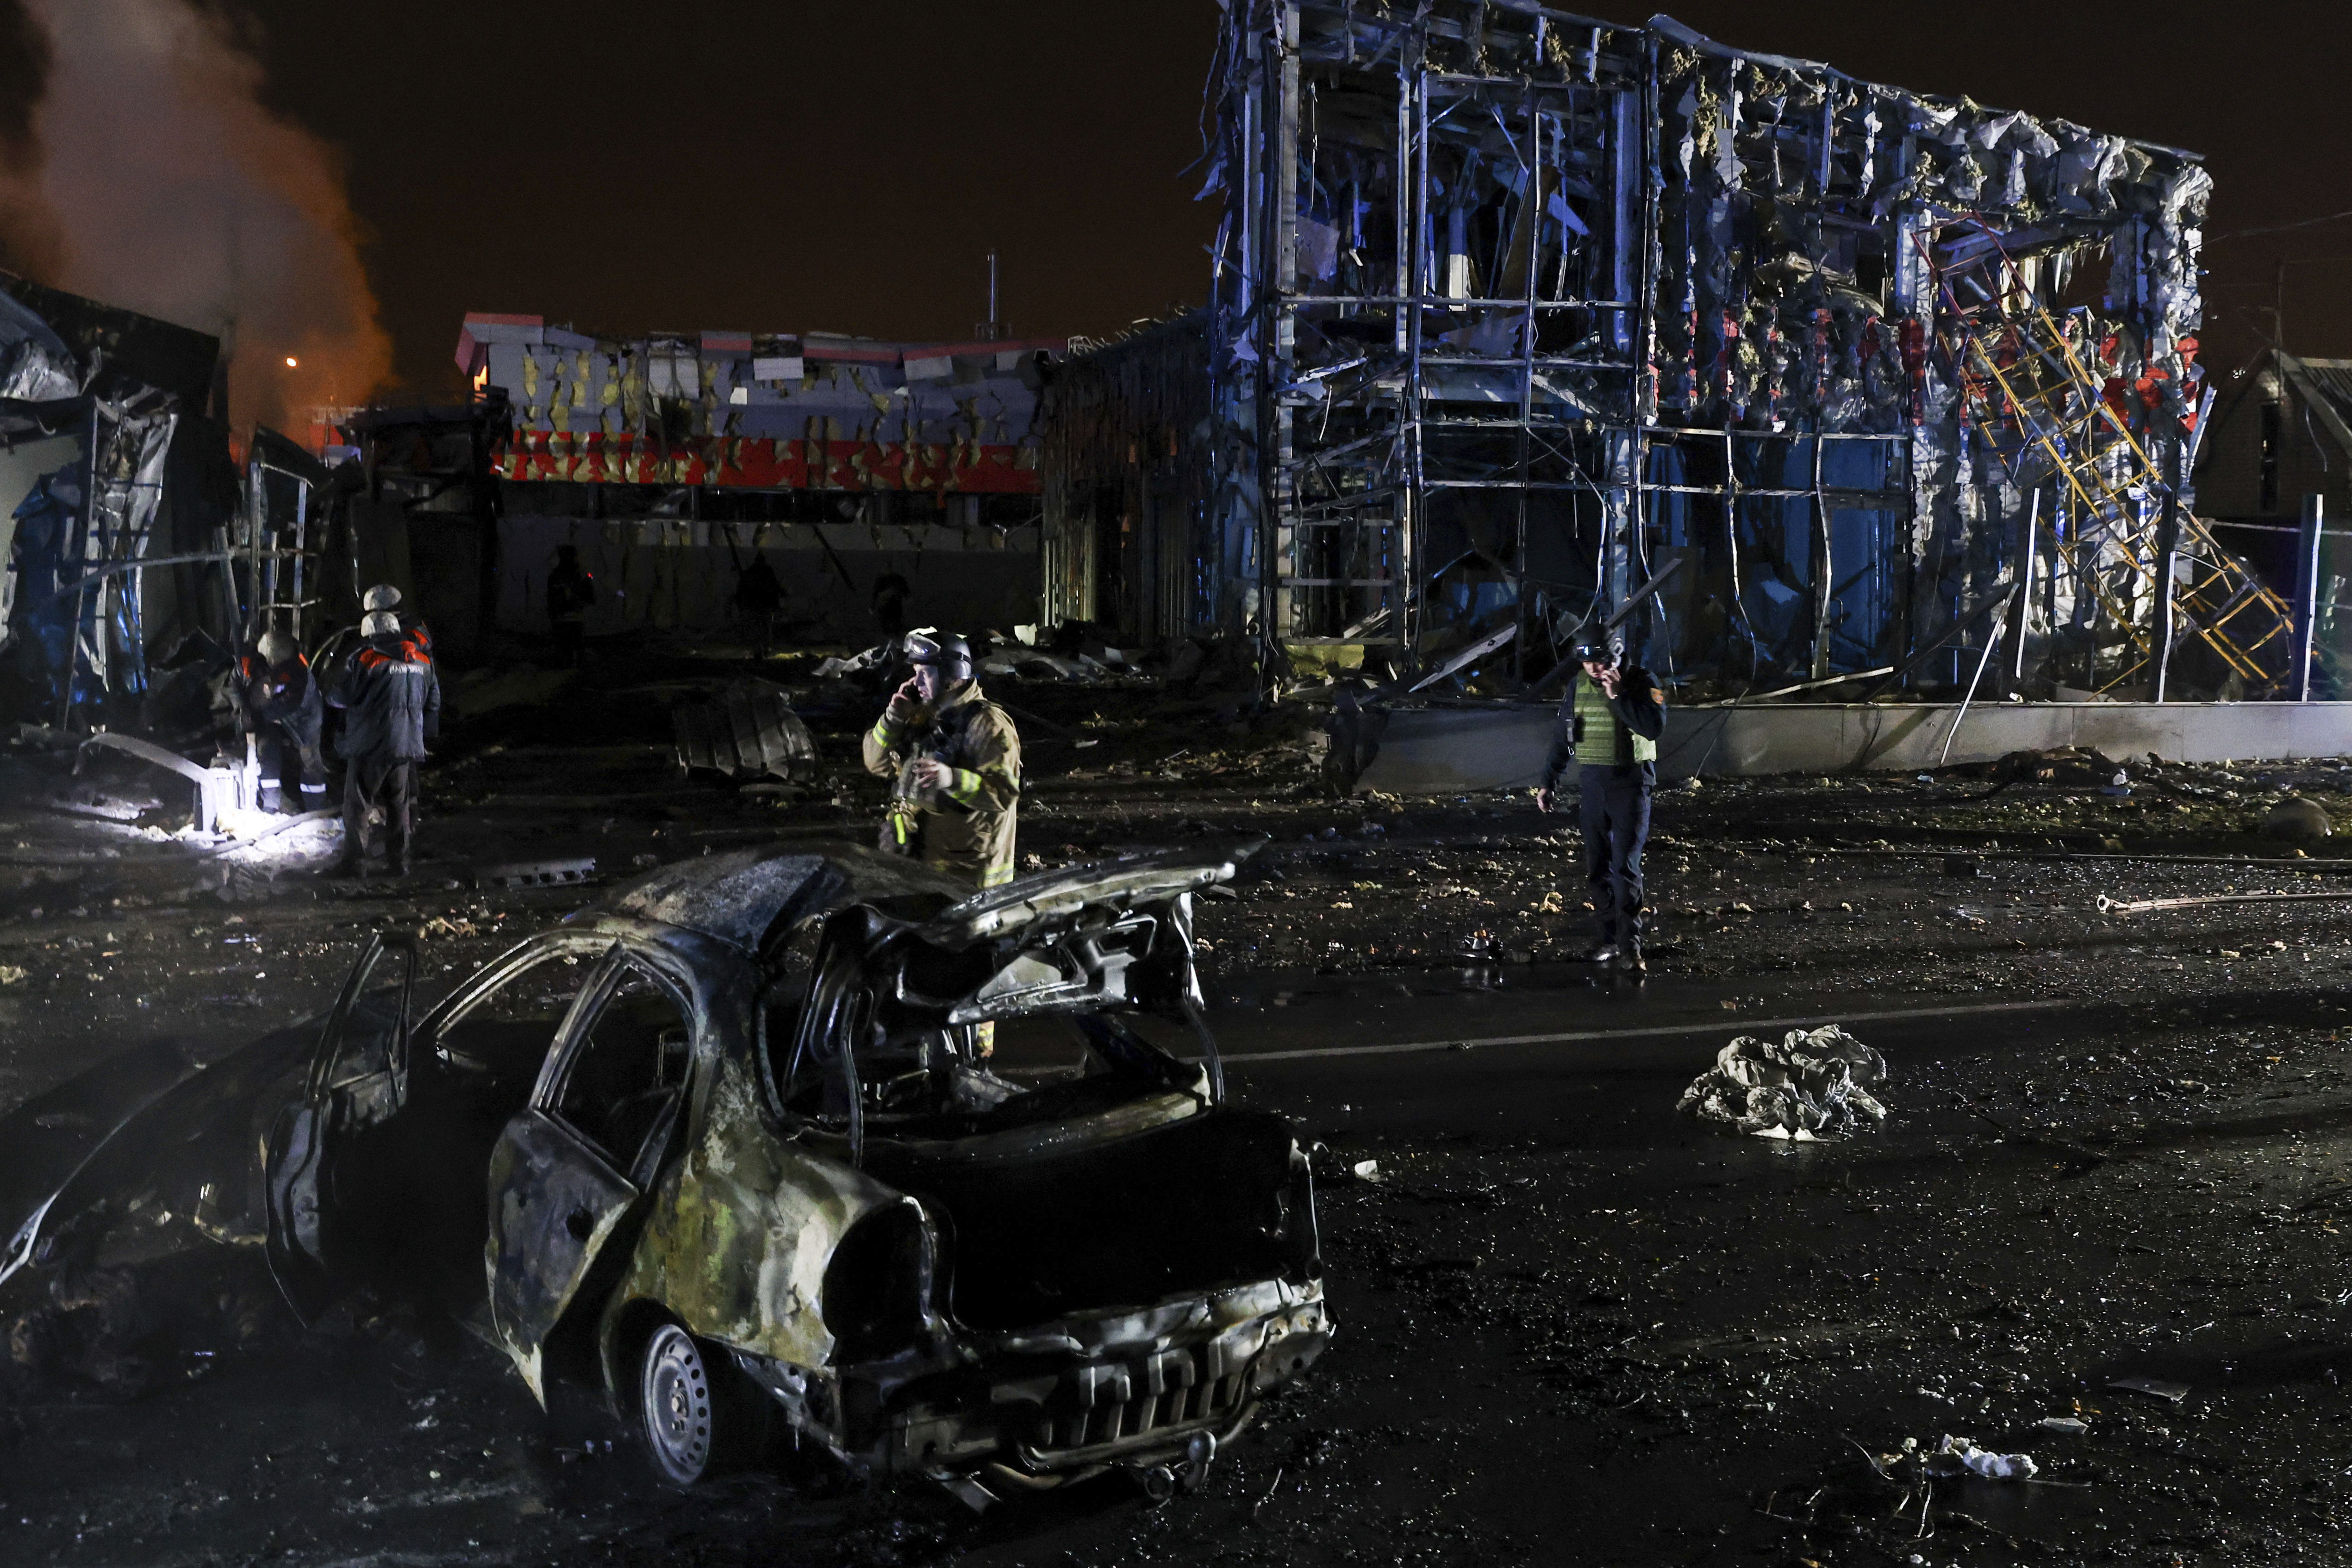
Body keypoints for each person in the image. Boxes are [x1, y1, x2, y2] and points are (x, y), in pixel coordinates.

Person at [1535, 630, 1667, 976]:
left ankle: (1630, 948)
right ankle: (1608, 939)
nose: (1593, 667)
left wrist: (1617, 694)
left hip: (1630, 784)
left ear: (1616, 656)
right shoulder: (1578, 685)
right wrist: (1549, 779)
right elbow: (1565, 733)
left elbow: (1653, 727)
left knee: (1625, 867)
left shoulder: (1641, 681)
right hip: (1593, 783)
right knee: (1598, 866)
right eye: (1586, 660)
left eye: (1600, 660)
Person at [861, 628, 1020, 890]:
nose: (915, 683)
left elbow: (1003, 794)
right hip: (921, 863)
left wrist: (951, 779)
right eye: (915, 675)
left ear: (950, 677)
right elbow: (876, 764)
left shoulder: (989, 725)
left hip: (968, 876)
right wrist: (893, 717)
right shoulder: (923, 716)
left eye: (924, 675)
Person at [328, 609, 441, 877]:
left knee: (358, 806)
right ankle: (399, 864)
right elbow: (433, 701)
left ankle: (354, 866)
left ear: (370, 634)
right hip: (406, 747)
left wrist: (332, 694)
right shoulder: (423, 659)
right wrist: (419, 736)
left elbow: (340, 696)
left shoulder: (366, 658)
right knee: (399, 805)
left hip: (370, 746)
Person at [236, 629, 327, 814]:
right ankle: (271, 805)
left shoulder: (298, 670)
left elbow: (291, 703)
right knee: (267, 750)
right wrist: (243, 709)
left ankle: (316, 810)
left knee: (309, 759)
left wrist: (259, 717)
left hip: (304, 717)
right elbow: (236, 683)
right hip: (272, 714)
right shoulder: (252, 662)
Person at [546, 545, 594, 665]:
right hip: (574, 618)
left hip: (561, 619)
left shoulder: (555, 575)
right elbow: (590, 596)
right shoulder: (582, 574)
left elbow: (551, 598)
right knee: (576, 651)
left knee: (565, 652)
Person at [364, 583, 433, 665]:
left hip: (415, 669)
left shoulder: (412, 625)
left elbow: (413, 647)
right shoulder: (383, 623)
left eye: (375, 612)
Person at [735, 552, 783, 659]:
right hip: (765, 605)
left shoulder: (750, 573)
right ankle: (765, 649)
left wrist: (741, 604)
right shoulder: (767, 572)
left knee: (757, 628)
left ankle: (759, 650)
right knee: (765, 628)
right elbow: (775, 588)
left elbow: (742, 589)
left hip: (754, 605)